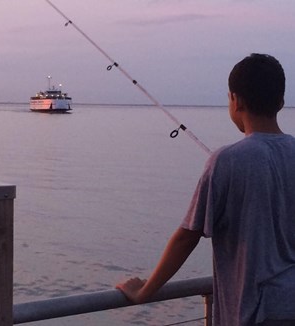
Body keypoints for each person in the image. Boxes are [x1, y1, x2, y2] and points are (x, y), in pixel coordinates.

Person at [116, 53, 295, 326]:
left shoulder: (227, 160)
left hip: (255, 313)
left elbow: (187, 237)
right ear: (281, 102)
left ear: (236, 100)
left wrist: (144, 291)